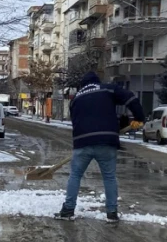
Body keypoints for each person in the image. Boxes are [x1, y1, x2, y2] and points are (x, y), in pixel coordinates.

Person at [55, 71, 145, 222]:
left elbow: (75, 121)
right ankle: (112, 213)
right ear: (97, 81)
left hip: (82, 142)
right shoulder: (108, 89)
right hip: (106, 140)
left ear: (82, 85)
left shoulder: (75, 99)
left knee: (75, 176)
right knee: (109, 177)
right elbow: (131, 98)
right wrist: (139, 117)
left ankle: (68, 211)